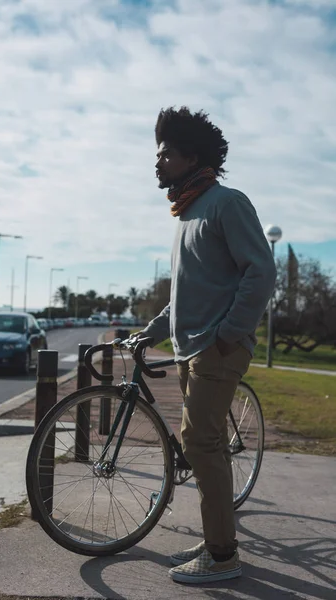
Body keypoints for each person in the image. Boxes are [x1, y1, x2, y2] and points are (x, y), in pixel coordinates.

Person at [138, 106, 276, 584]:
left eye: (166, 154)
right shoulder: (187, 214)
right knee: (203, 445)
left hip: (215, 349)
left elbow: (261, 271)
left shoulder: (226, 203)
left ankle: (222, 557)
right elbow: (184, 297)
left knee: (200, 444)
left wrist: (227, 334)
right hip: (190, 349)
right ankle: (217, 537)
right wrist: (151, 332)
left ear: (191, 156)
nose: (157, 163)